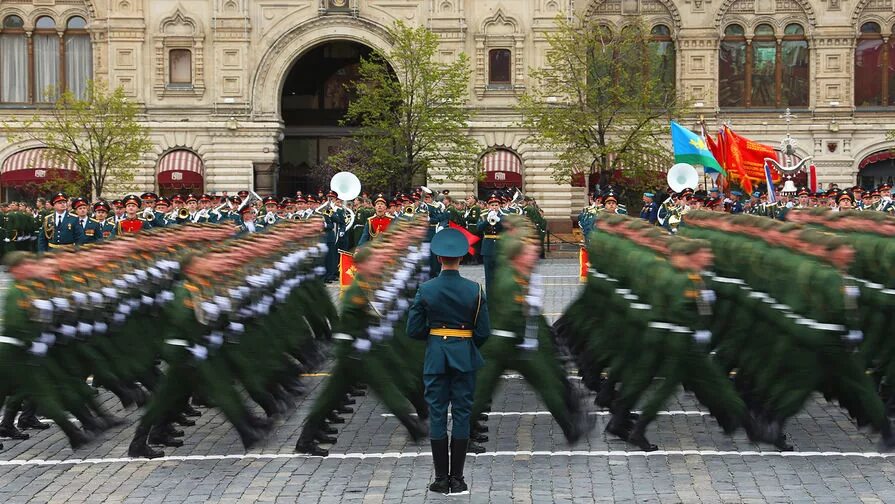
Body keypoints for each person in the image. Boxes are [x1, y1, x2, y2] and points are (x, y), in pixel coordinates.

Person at [406, 228, 490, 496]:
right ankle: (459, 479)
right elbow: (483, 332)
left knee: (438, 414)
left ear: (439, 258)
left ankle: (441, 479)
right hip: (464, 356)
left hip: (436, 359)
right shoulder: (475, 289)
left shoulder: (426, 289)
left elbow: (413, 330)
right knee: (463, 414)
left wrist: (436, 341)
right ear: (462, 258)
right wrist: (463, 344)